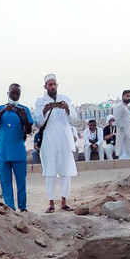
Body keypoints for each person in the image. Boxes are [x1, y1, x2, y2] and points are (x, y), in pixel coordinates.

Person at [33, 74, 78, 213]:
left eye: (54, 84)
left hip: (64, 140)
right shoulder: (40, 102)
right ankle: (51, 203)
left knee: (65, 171)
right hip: (49, 141)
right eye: (49, 84)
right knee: (50, 172)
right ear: (45, 86)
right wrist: (44, 111)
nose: (52, 87)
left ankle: (64, 202)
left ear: (57, 85)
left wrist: (67, 109)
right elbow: (37, 122)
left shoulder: (65, 99)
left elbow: (74, 119)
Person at [0, 83, 34, 211]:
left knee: (21, 182)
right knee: (5, 182)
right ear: (7, 93)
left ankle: (23, 207)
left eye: (17, 94)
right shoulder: (0, 108)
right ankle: (9, 207)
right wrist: (4, 110)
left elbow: (29, 129)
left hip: (18, 151)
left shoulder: (24, 109)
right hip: (2, 151)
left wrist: (24, 117)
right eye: (12, 93)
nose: (14, 96)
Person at [112, 90, 130, 160]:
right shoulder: (119, 106)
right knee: (124, 151)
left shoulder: (125, 106)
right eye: (127, 96)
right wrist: (125, 131)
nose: (129, 98)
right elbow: (117, 120)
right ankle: (123, 164)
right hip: (123, 134)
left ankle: (126, 162)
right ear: (122, 96)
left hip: (128, 133)